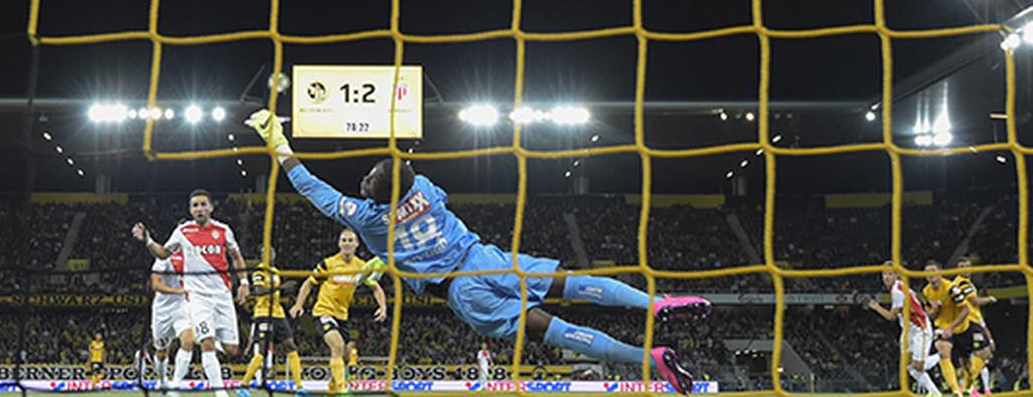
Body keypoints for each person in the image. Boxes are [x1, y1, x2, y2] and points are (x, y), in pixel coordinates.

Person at [246, 110, 710, 394]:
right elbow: (409, 189)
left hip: (461, 291)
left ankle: (648, 359)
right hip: (485, 257)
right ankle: (656, 303)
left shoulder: (365, 215)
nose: (365, 178)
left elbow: (311, 187)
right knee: (567, 280)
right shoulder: (425, 188)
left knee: (550, 330)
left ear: (377, 194)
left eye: (370, 178)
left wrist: (279, 143)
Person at [133, 189, 251, 397]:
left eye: (203, 204)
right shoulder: (182, 232)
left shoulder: (223, 230)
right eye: (195, 205)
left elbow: (237, 256)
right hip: (197, 298)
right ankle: (218, 392)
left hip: (223, 295)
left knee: (232, 349)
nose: (199, 208)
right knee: (206, 342)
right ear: (190, 209)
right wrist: (148, 240)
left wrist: (243, 282)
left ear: (211, 207)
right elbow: (163, 253)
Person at [290, 229, 387, 395]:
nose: (347, 243)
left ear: (356, 244)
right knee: (337, 345)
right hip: (323, 311)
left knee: (347, 355)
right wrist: (299, 304)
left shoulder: (361, 267)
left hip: (342, 315)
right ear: (339, 243)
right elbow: (309, 283)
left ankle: (332, 389)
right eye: (344, 240)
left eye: (350, 240)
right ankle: (342, 389)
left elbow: (376, 288)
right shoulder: (328, 264)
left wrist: (383, 306)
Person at [239, 247, 306, 396]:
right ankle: (243, 385)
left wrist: (287, 290)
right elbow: (258, 291)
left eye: (272, 252)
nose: (270, 255)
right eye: (266, 253)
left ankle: (300, 387)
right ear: (262, 256)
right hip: (263, 314)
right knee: (262, 351)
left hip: (278, 314)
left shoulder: (275, 272)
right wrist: (281, 287)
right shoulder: (259, 272)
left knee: (291, 346)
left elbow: (274, 293)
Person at [867, 263, 940, 395]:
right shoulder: (899, 287)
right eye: (884, 274)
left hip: (920, 329)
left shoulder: (897, 291)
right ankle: (935, 394)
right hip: (908, 330)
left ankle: (941, 356)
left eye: (890, 274)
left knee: (918, 366)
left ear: (896, 275)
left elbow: (891, 317)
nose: (886, 277)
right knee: (910, 367)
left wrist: (876, 307)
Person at [950, 258, 998, 395]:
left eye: (967, 266)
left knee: (967, 360)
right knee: (984, 353)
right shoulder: (963, 283)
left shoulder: (956, 283)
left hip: (966, 322)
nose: (965, 269)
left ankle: (968, 389)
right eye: (961, 267)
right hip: (969, 322)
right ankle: (966, 387)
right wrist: (990, 299)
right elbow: (975, 301)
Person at [150, 250, 192, 392]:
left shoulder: (194, 258)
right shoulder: (163, 259)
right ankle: (162, 381)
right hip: (162, 311)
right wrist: (178, 291)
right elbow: (156, 285)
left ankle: (176, 385)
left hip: (182, 306)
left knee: (188, 341)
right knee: (161, 352)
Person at [923, 260, 966, 397]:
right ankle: (955, 391)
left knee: (971, 359)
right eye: (927, 272)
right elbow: (929, 314)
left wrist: (952, 328)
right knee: (943, 351)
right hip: (941, 326)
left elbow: (965, 310)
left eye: (933, 271)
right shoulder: (926, 291)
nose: (930, 275)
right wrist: (935, 310)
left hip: (959, 326)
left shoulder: (951, 288)